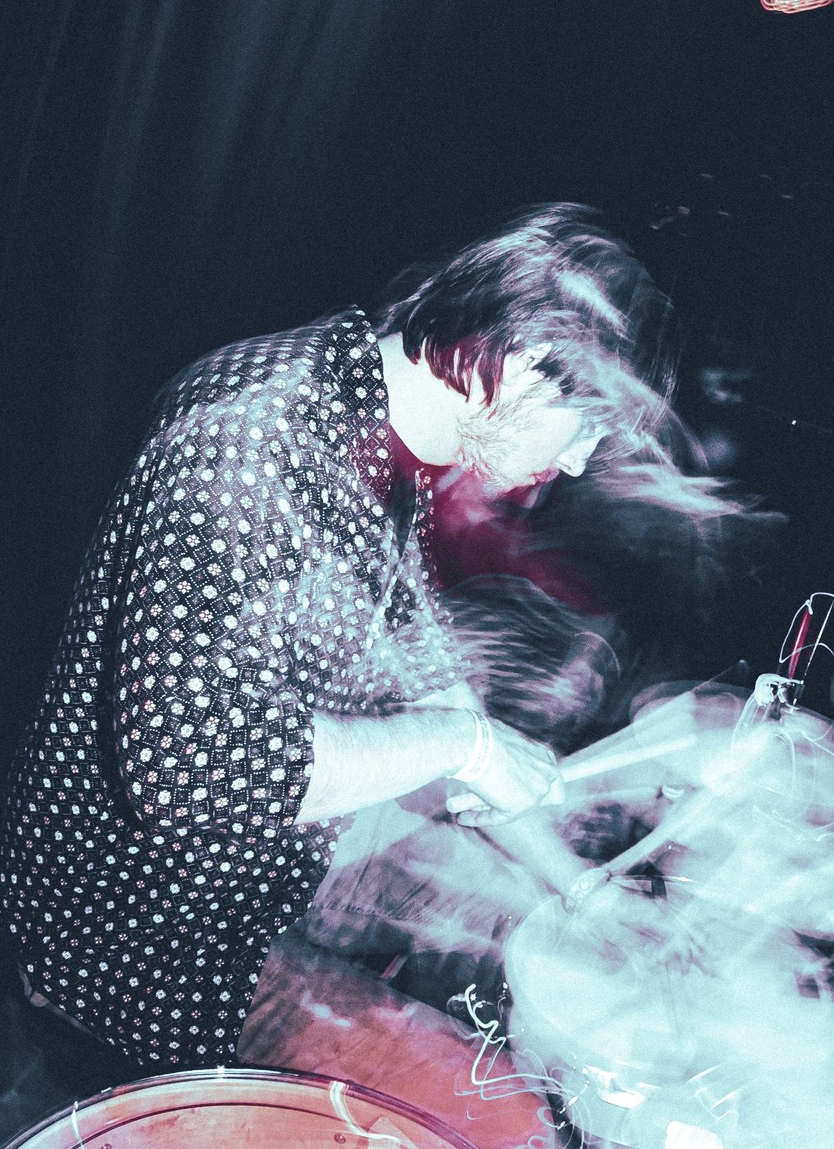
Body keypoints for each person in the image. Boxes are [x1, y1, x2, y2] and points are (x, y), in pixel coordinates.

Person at [0, 205, 719, 1075]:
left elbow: (424, 674)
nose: (576, 463)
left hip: (246, 902)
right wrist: (461, 744)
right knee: (472, 1114)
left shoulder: (377, 428)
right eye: (588, 425)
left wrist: (580, 886)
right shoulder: (254, 444)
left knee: (488, 1012)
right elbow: (187, 773)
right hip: (135, 948)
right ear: (522, 359)